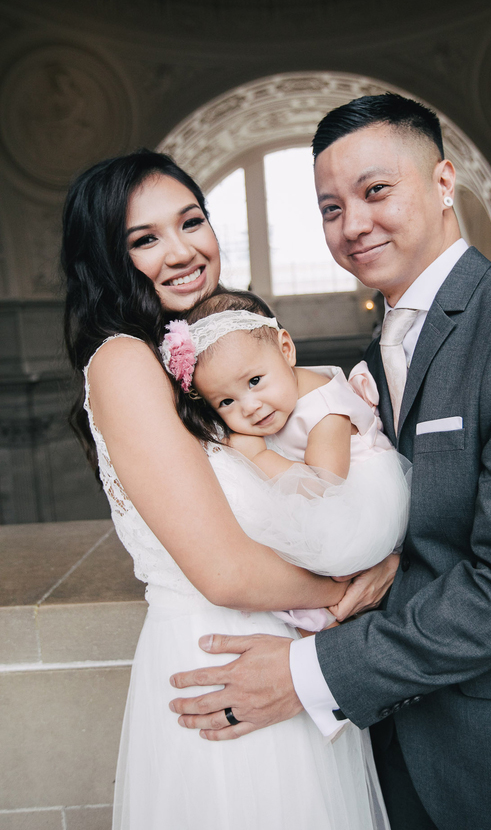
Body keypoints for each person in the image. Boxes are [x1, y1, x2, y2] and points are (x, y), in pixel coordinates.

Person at [169, 94, 491, 830]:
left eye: (375, 192)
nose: (352, 224)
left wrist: (310, 674)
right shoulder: (365, 365)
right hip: (392, 750)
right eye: (330, 208)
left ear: (442, 182)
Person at [61, 149, 399, 830]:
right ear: (107, 259)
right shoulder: (126, 361)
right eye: (146, 239)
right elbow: (222, 568)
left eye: (191, 221)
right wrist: (350, 592)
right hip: (222, 655)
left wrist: (379, 557)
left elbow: (310, 483)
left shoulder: (214, 353)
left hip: (283, 651)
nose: (182, 250)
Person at [159, 289, 411, 631]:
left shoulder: (325, 409)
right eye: (225, 402)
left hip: (354, 502)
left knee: (304, 545)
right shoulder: (278, 399)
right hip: (312, 487)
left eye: (254, 381)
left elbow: (325, 484)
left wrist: (259, 455)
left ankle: (321, 610)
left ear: (286, 350)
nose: (249, 406)